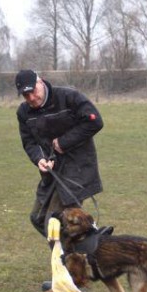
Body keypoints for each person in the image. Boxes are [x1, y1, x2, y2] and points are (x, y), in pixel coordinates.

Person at [15, 69, 105, 243]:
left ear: (40, 82)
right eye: (26, 95)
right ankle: (89, 242)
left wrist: (63, 143)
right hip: (51, 173)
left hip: (77, 168)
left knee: (54, 224)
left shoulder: (68, 97)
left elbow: (94, 121)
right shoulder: (24, 113)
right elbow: (29, 143)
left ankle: (68, 265)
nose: (31, 98)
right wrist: (39, 159)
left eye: (33, 91)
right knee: (38, 218)